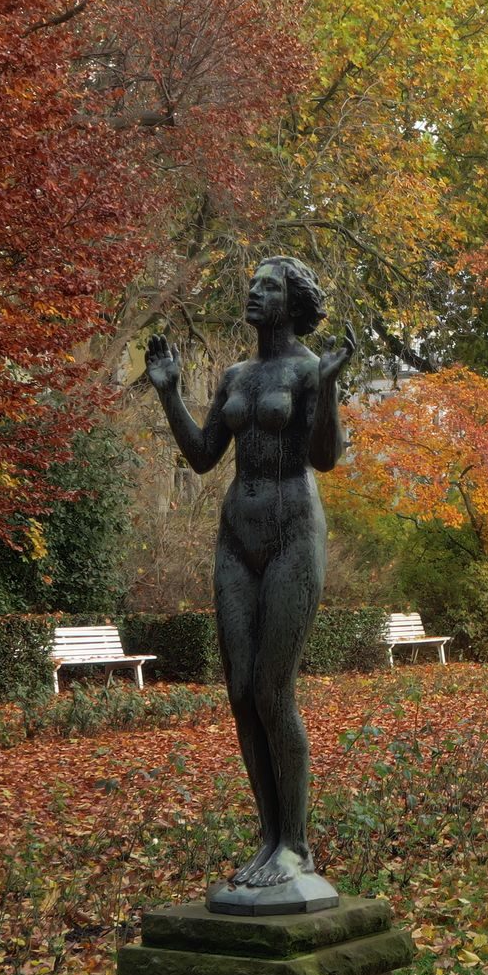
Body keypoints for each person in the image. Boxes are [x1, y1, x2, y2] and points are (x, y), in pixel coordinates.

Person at [145, 256, 355, 891]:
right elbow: (205, 456)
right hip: (237, 535)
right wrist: (169, 393)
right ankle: (269, 839)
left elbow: (325, 457)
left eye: (269, 287)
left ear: (292, 302)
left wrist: (328, 389)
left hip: (294, 531)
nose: (255, 293)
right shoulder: (237, 373)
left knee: (272, 690)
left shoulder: (308, 369)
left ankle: (296, 846)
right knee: (239, 695)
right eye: (254, 285)